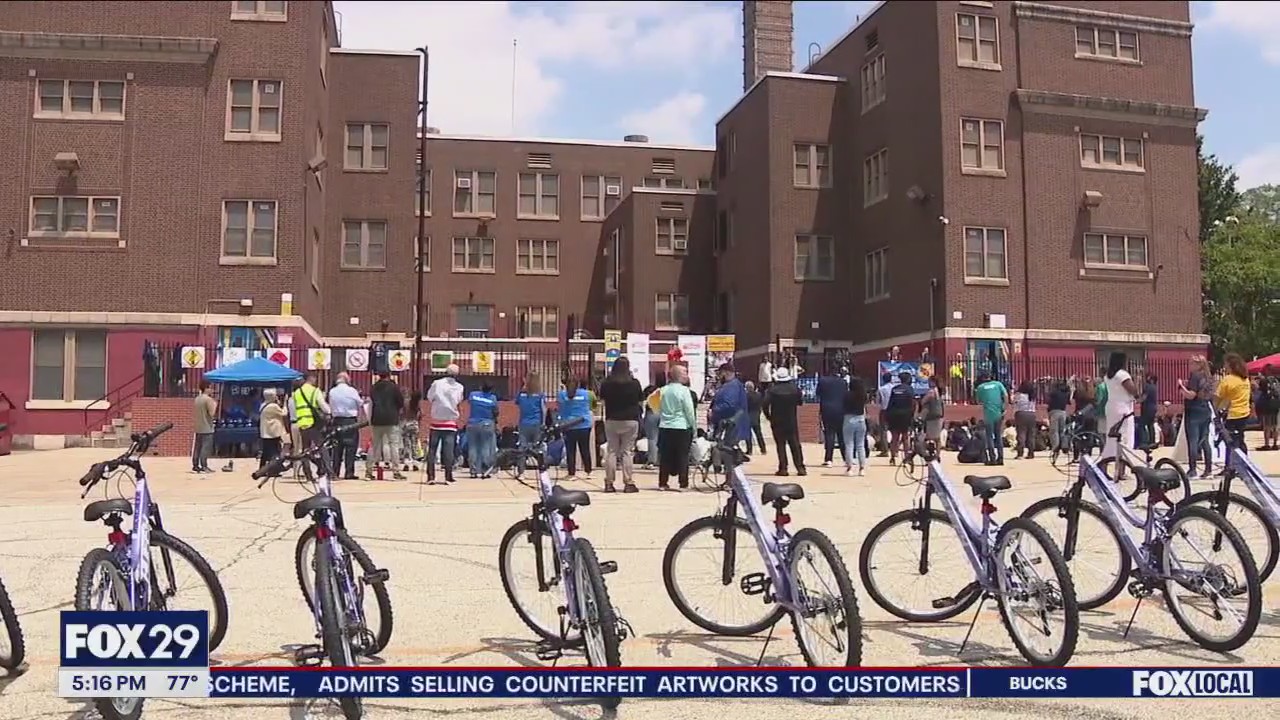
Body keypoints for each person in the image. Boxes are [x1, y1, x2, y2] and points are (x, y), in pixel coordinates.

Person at [598, 357, 643, 493]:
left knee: (611, 451)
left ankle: (609, 483)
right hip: (630, 419)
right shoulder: (634, 383)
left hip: (612, 419)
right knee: (627, 452)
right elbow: (640, 401)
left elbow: (602, 400)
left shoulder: (607, 383)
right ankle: (628, 482)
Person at [657, 364, 697, 490]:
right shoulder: (684, 391)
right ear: (678, 375)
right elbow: (689, 410)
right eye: (685, 373)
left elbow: (653, 404)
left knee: (665, 455)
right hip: (681, 426)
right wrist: (693, 426)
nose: (687, 375)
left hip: (665, 426)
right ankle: (683, 483)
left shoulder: (662, 390)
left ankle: (663, 482)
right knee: (683, 455)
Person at [425, 364, 464, 484]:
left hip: (436, 420)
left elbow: (429, 397)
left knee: (432, 450)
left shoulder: (437, 383)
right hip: (450, 422)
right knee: (448, 451)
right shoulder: (459, 387)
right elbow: (459, 401)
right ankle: (448, 476)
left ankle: (431, 477)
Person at [762, 367, 806, 476]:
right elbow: (800, 402)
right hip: (791, 420)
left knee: (780, 445)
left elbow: (765, 405)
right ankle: (800, 468)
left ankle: (783, 468)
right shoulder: (795, 389)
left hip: (777, 420)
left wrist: (769, 416)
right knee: (795, 444)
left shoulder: (772, 390)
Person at [1178, 355, 1215, 479]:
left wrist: (1181, 387)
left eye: (1192, 363)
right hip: (1205, 409)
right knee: (1204, 440)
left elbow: (1191, 395)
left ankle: (1192, 470)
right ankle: (1208, 469)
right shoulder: (1208, 377)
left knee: (1193, 441)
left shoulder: (1195, 376)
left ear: (1198, 365)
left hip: (1193, 410)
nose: (1190, 366)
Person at [366, 372, 405, 480]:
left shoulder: (374, 388)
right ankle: (396, 471)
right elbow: (400, 403)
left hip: (377, 419)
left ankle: (368, 471)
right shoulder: (394, 387)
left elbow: (371, 402)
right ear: (389, 375)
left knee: (374, 446)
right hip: (391, 419)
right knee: (394, 445)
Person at [1101, 352, 1140, 461]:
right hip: (1123, 408)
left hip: (1111, 406)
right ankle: (1121, 469)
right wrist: (1137, 382)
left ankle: (1105, 463)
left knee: (1112, 437)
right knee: (1124, 438)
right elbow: (1133, 390)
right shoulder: (1122, 375)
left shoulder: (1108, 376)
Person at [327, 372, 364, 479]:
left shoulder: (332, 391)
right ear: (347, 380)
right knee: (351, 447)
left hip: (337, 420)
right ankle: (349, 472)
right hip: (350, 420)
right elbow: (360, 403)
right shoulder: (352, 391)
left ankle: (335, 471)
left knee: (337, 447)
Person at [557, 377, 594, 478]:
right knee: (585, 448)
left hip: (569, 424)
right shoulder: (587, 394)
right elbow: (592, 405)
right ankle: (588, 471)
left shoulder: (562, 394)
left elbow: (560, 408)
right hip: (584, 423)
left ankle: (571, 473)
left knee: (570, 450)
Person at [1216, 353, 1252, 455]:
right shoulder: (1245, 379)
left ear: (1230, 365)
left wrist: (1215, 410)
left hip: (1232, 414)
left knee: (1230, 441)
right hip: (1244, 412)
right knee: (1240, 439)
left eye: (1225, 364)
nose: (1224, 367)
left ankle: (1230, 467)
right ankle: (1244, 462)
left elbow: (1218, 398)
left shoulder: (1227, 380)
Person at [709, 362, 750, 450]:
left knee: (727, 451)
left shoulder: (732, 386)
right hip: (729, 424)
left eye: (720, 373)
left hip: (731, 424)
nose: (719, 376)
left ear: (726, 373)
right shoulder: (730, 385)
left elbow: (729, 404)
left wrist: (714, 410)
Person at [973, 371, 1008, 465]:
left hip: (988, 414)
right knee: (998, 436)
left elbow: (978, 401)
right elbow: (1006, 396)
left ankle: (992, 458)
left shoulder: (980, 388)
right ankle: (1000, 458)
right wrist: (1004, 408)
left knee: (989, 437)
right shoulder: (998, 384)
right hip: (998, 413)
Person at [816, 367, 848, 467]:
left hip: (827, 409)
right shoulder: (843, 382)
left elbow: (818, 394)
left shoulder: (822, 381)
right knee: (841, 435)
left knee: (829, 434)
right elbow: (845, 396)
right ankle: (845, 458)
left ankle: (829, 459)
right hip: (841, 410)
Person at [465, 382, 499, 478]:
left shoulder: (473, 395)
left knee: (472, 447)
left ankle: (473, 470)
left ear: (481, 387)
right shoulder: (492, 398)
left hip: (472, 423)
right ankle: (485, 470)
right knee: (486, 447)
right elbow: (496, 412)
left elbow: (469, 402)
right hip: (487, 423)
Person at [883, 372, 916, 465]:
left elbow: (890, 404)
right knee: (906, 437)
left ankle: (893, 457)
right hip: (906, 415)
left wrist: (887, 416)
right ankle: (907, 457)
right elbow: (913, 403)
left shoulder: (894, 389)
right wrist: (912, 415)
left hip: (894, 415)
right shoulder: (910, 389)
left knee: (895, 437)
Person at [841, 375, 869, 476]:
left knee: (849, 444)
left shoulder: (847, 395)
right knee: (860, 445)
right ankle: (862, 468)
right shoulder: (863, 395)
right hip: (860, 419)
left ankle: (849, 468)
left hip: (849, 418)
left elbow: (843, 406)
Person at [191, 380, 217, 473]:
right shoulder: (208, 400)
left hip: (198, 426)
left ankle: (195, 464)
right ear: (206, 388)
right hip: (207, 427)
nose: (212, 390)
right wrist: (215, 404)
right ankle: (204, 465)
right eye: (210, 387)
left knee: (197, 447)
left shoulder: (197, 399)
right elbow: (212, 413)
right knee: (205, 448)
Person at [515, 373, 546, 448]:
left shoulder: (521, 394)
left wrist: (524, 386)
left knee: (523, 448)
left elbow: (517, 402)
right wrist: (543, 423)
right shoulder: (540, 395)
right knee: (538, 448)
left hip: (524, 423)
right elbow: (543, 410)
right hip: (536, 423)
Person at [258, 388, 287, 469]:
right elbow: (284, 413)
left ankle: (262, 468)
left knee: (266, 451)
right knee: (275, 452)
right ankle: (275, 468)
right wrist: (284, 404)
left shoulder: (263, 404)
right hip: (273, 432)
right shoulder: (273, 406)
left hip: (265, 432)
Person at [642, 373, 666, 469]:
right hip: (663, 413)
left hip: (651, 413)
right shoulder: (665, 391)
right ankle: (662, 460)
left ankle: (652, 461)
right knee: (663, 438)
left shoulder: (649, 389)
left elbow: (642, 401)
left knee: (652, 438)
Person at [1047, 379, 1071, 464]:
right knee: (1062, 431)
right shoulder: (1065, 393)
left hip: (1054, 412)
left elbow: (1048, 400)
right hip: (1063, 412)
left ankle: (1055, 448)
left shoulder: (1054, 393)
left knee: (1054, 431)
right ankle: (1064, 446)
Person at [1012, 380, 1038, 460]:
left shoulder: (1019, 395)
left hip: (1021, 413)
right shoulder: (1032, 396)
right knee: (1031, 434)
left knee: (1021, 433)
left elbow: (1013, 401)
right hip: (1032, 414)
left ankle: (1020, 453)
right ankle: (1031, 452)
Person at [1257, 365, 1280, 451]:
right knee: (1275, 426)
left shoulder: (1263, 380)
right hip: (1276, 404)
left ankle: (1267, 444)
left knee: (1267, 426)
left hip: (1267, 405)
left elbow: (1260, 391)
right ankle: (1275, 444)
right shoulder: (1277, 380)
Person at [400, 390, 422, 472]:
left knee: (406, 444)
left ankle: (407, 462)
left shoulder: (405, 403)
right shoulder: (416, 404)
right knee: (414, 444)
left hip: (406, 424)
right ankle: (415, 462)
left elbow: (401, 414)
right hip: (414, 424)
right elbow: (420, 415)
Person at [743, 380, 767, 455]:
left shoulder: (745, 396)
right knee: (759, 434)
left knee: (748, 435)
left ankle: (749, 450)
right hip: (756, 416)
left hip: (747, 416)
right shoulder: (759, 395)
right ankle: (763, 449)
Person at [1138, 374, 1159, 461]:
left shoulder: (1148, 387)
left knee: (1141, 425)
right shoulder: (1154, 387)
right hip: (1153, 408)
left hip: (1147, 408)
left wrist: (1138, 400)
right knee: (1151, 425)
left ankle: (1144, 442)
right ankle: (1152, 441)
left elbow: (1144, 397)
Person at [921, 376, 944, 447]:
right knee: (937, 438)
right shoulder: (939, 391)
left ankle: (926, 452)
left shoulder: (931, 391)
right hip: (939, 415)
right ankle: (937, 454)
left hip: (931, 416)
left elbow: (923, 401)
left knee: (927, 436)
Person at [874, 372, 894, 457]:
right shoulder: (895, 388)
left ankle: (885, 450)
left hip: (884, 410)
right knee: (894, 431)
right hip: (894, 410)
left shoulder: (881, 389)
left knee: (883, 431)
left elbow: (877, 402)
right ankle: (894, 450)